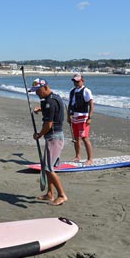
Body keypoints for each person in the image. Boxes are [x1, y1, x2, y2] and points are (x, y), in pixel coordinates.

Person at [29, 78, 68, 206]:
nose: (37, 93)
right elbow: (51, 109)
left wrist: (39, 134)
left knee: (49, 168)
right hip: (52, 137)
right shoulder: (51, 98)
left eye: (38, 90)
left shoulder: (50, 101)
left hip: (54, 137)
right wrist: (39, 109)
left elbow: (49, 124)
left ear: (45, 87)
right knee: (46, 167)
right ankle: (50, 193)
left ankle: (62, 195)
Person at [67, 73, 94, 165]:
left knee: (84, 137)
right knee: (76, 138)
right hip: (74, 116)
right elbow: (70, 104)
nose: (76, 83)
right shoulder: (72, 91)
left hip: (83, 116)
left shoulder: (86, 91)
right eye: (74, 81)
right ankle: (77, 156)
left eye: (77, 81)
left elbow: (91, 104)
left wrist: (90, 117)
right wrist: (68, 116)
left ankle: (90, 159)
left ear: (82, 80)